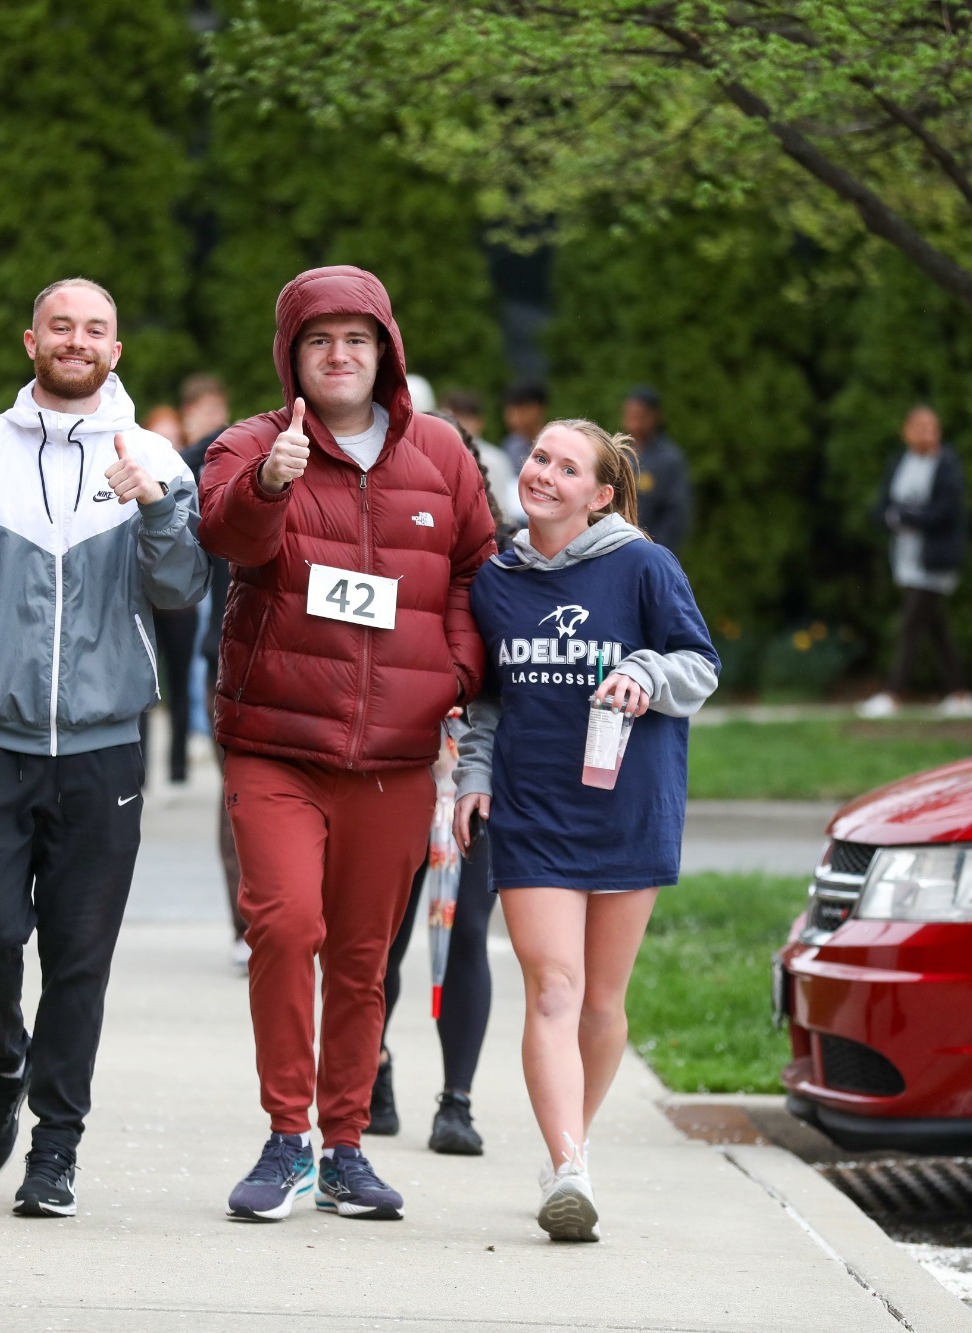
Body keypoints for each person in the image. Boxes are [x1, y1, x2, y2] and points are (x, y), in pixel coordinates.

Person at [0, 277, 208, 1219]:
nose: (76, 340)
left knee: (78, 958)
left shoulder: (154, 459)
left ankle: (55, 1148)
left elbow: (183, 588)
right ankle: (1, 1062)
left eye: (95, 328)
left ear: (116, 350)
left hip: (105, 750)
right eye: (60, 325)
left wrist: (156, 508)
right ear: (31, 341)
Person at [199, 265, 495, 1223]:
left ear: (386, 350)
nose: (339, 355)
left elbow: (475, 570)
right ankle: (286, 1139)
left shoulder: (442, 453)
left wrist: (455, 673)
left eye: (357, 338)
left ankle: (345, 1149)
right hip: (276, 742)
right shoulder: (252, 444)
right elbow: (226, 536)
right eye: (319, 340)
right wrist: (269, 485)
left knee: (364, 959)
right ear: (291, 356)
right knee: (286, 925)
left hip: (397, 757)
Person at [453, 418, 718, 1241]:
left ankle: (572, 1144)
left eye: (567, 468)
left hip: (629, 805)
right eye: (539, 457)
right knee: (554, 987)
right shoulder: (495, 580)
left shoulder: (644, 565)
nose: (544, 473)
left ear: (600, 494)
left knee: (602, 1001)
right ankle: (569, 1168)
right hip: (532, 809)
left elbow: (700, 665)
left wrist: (645, 670)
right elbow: (488, 700)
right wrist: (471, 778)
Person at [370, 413, 509, 1154]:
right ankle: (372, 1069)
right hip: (392, 762)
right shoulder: (377, 541)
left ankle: (457, 1102)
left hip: (477, 766)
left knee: (467, 931)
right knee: (379, 934)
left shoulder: (509, 567)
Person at [174, 374, 249, 966]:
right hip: (224, 657)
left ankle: (291, 919)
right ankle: (247, 929)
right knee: (240, 799)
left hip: (290, 659)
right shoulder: (206, 464)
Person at [858, 405, 972, 717]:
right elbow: (883, 506)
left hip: (934, 560)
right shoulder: (900, 461)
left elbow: (946, 511)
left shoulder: (947, 464)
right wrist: (894, 517)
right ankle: (960, 694)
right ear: (906, 432)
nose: (927, 434)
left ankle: (893, 693)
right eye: (920, 428)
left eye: (932, 428)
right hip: (906, 558)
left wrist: (906, 516)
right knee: (936, 628)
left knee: (910, 625)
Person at [142, 403, 200, 785]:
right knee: (142, 687)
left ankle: (178, 768)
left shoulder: (186, 477)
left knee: (180, 685)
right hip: (143, 604)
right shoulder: (133, 472)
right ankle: (140, 769)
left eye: (173, 437)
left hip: (180, 609)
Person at [619, 387, 692, 552]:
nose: (632, 420)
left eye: (638, 415)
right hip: (618, 547)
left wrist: (655, 549)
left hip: (651, 549)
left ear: (653, 417)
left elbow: (676, 513)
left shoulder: (669, 459)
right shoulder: (621, 454)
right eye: (629, 414)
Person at [444, 389, 527, 528]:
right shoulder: (440, 453)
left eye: (463, 419)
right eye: (450, 418)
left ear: (479, 422)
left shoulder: (494, 459)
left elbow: (501, 507)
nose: (456, 425)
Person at [501, 382, 548, 472]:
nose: (511, 417)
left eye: (520, 410)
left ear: (537, 409)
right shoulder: (510, 445)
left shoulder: (555, 444)